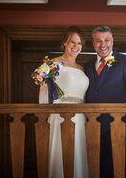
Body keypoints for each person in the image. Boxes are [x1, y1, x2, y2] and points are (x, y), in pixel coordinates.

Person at [84, 26, 126, 178]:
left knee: (120, 167)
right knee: (95, 167)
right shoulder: (87, 65)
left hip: (118, 123)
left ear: (112, 41)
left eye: (106, 40)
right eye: (98, 40)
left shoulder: (125, 61)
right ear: (93, 43)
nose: (102, 44)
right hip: (91, 124)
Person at [38, 26, 89, 178]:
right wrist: (46, 114)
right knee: (60, 154)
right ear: (64, 44)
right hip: (59, 115)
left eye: (79, 43)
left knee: (78, 153)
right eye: (72, 42)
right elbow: (44, 92)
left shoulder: (81, 68)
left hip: (80, 117)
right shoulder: (53, 64)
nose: (76, 46)